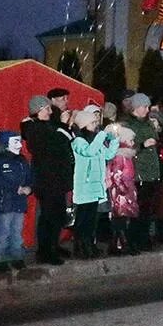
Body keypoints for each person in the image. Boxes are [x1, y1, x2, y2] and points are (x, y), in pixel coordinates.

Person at [22, 95, 73, 265]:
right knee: (49, 216)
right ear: (39, 110)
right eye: (47, 108)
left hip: (56, 178)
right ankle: (45, 251)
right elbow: (54, 145)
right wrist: (65, 126)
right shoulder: (35, 129)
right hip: (47, 180)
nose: (51, 111)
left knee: (57, 215)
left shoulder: (48, 125)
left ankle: (53, 245)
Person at [71, 106, 118, 259]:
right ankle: (80, 246)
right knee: (82, 220)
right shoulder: (79, 141)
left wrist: (114, 139)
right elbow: (88, 152)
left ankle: (89, 245)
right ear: (84, 125)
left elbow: (108, 155)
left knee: (91, 220)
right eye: (92, 124)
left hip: (95, 186)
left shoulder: (95, 141)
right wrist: (102, 135)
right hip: (84, 186)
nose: (96, 126)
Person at [0, 131, 33, 271]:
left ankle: (16, 255)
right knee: (4, 230)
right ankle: (0, 257)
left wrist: (29, 188)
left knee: (17, 230)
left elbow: (29, 176)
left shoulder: (22, 160)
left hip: (19, 202)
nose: (19, 145)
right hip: (4, 202)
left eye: (20, 141)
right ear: (5, 144)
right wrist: (15, 188)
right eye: (15, 142)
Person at [122, 93, 161, 250]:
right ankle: (133, 240)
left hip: (152, 171)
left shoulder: (149, 123)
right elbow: (125, 148)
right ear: (136, 107)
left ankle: (144, 239)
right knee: (137, 209)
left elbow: (157, 140)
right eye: (144, 107)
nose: (147, 109)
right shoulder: (129, 125)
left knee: (147, 209)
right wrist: (143, 145)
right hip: (138, 172)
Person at [104, 123, 141, 255]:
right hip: (120, 193)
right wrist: (123, 189)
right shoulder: (119, 157)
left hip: (127, 191)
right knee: (120, 217)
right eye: (130, 140)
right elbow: (116, 175)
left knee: (123, 218)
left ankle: (117, 243)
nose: (133, 143)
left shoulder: (127, 156)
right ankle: (122, 243)